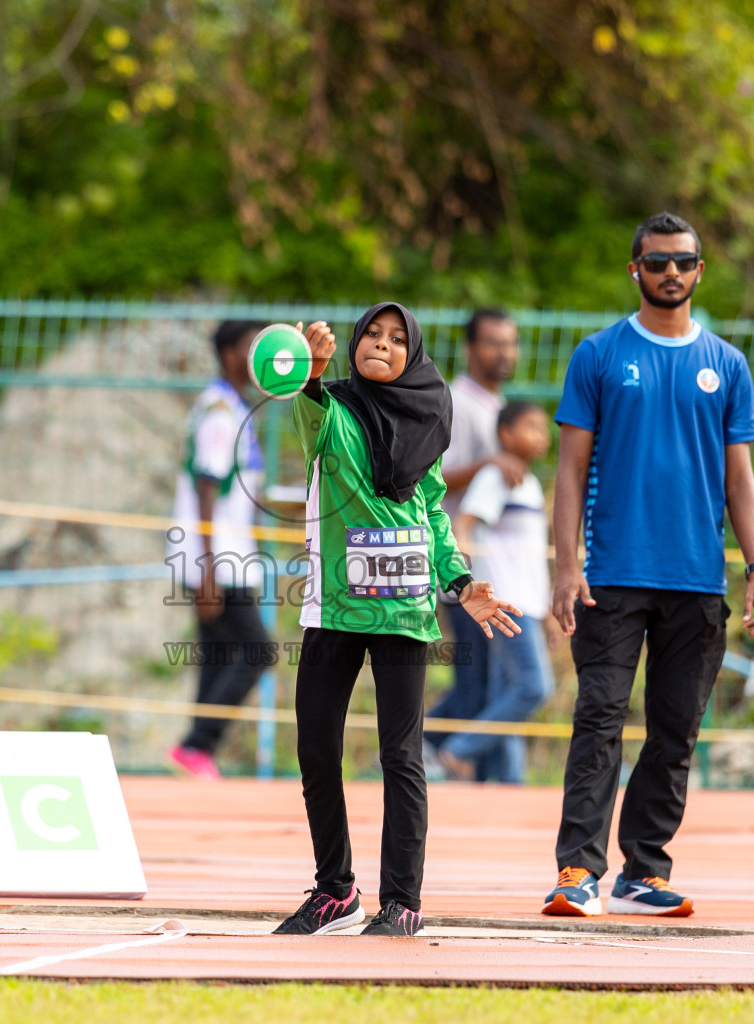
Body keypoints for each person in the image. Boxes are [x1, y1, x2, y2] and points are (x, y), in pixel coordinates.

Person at [542, 212, 754, 918]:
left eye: (682, 261)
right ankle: (578, 869)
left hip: (698, 580)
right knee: (600, 718)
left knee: (675, 732)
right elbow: (569, 468)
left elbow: (741, 479)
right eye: (656, 262)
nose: (669, 272)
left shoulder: (727, 365)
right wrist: (565, 563)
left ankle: (643, 871)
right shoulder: (600, 355)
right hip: (610, 576)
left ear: (700, 270)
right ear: (634, 270)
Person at [273, 302, 523, 937]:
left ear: (412, 355)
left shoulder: (425, 426)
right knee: (316, 748)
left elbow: (434, 516)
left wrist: (461, 582)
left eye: (395, 339)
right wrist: (310, 372)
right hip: (333, 609)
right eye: (371, 335)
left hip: (406, 612)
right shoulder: (330, 412)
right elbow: (306, 406)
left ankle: (403, 901)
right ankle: (336, 892)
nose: (380, 345)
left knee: (401, 755)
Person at [166, 320, 271, 781]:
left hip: (226, 550)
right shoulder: (219, 415)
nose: (261, 358)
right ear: (230, 353)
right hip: (217, 557)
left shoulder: (232, 407)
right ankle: (198, 743)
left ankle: (195, 752)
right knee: (258, 652)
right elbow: (206, 488)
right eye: (253, 347)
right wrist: (207, 569)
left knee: (219, 653)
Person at [437, 401, 555, 785]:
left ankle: (507, 784)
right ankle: (458, 749)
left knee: (506, 690)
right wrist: (465, 582)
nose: (542, 435)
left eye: (544, 428)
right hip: (508, 601)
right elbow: (464, 525)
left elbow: (533, 556)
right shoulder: (496, 476)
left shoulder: (529, 482)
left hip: (530, 603)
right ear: (505, 434)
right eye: (531, 426)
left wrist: (549, 609)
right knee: (533, 686)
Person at [425, 310, 521, 777]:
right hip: (457, 564)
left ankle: (474, 772)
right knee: (475, 685)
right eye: (492, 343)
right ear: (470, 349)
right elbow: (433, 476)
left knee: (487, 684)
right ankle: (420, 745)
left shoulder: (495, 406)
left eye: (510, 343)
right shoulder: (459, 403)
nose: (503, 352)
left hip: (491, 569)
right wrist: (489, 462)